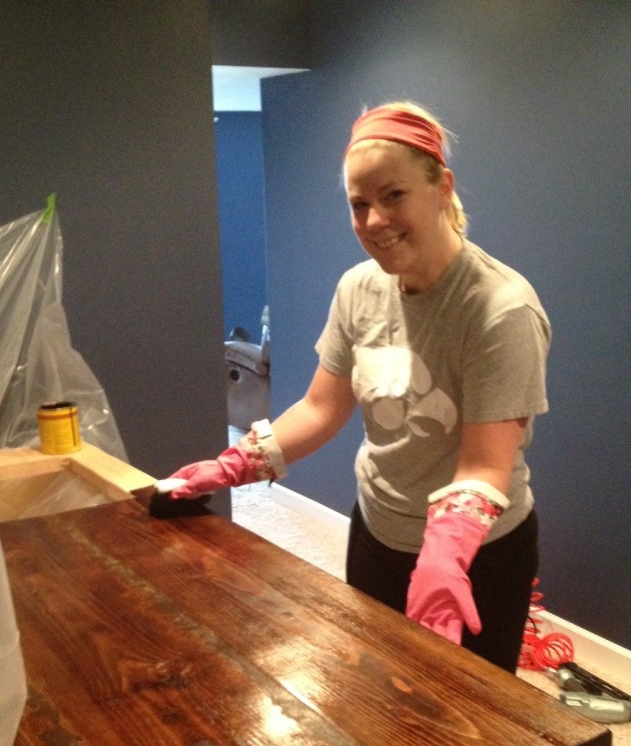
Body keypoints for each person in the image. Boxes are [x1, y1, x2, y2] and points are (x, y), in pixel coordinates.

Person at [168, 101, 550, 675]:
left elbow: (485, 467)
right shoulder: (358, 289)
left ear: (441, 187)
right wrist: (233, 465)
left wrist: (444, 556)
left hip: (476, 556)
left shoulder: (500, 309)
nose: (374, 221)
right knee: (381, 696)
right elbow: (322, 409)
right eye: (359, 204)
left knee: (471, 730)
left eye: (393, 196)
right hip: (377, 532)